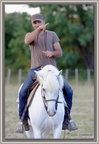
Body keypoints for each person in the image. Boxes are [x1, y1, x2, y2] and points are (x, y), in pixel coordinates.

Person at [16, 14, 78, 133]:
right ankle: (23, 121)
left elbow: (59, 52)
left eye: (39, 22)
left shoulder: (52, 34)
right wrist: (38, 30)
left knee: (69, 91)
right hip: (36, 70)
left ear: (44, 21)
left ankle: (67, 119)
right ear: (32, 24)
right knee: (23, 91)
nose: (37, 24)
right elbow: (27, 41)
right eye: (34, 22)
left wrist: (52, 53)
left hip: (51, 69)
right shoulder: (30, 35)